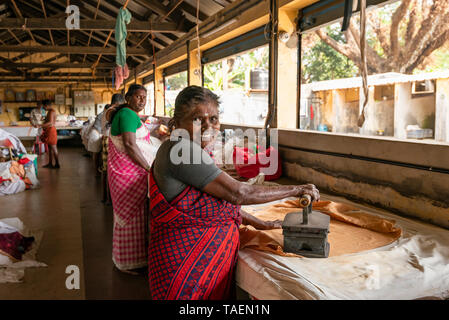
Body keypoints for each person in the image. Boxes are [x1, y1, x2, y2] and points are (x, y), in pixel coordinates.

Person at [148, 86, 320, 300]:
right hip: (186, 266)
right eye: (197, 119)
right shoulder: (181, 149)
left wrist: (260, 223)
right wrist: (297, 189)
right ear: (177, 123)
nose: (207, 127)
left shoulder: (188, 149)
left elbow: (219, 203)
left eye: (213, 119)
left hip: (196, 266)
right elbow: (238, 193)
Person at [107, 85, 159, 273]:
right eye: (138, 96)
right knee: (130, 218)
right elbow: (130, 144)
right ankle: (130, 263)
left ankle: (129, 260)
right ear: (128, 98)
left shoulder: (128, 114)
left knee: (131, 218)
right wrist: (148, 168)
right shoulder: (128, 114)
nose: (142, 100)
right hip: (128, 173)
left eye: (145, 97)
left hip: (124, 171)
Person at [101, 94, 125, 204]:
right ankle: (108, 198)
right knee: (108, 171)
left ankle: (105, 196)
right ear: (119, 102)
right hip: (108, 141)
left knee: (106, 170)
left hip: (105, 139)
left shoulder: (107, 110)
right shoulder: (112, 111)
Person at [39, 100, 60, 169]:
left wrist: (40, 125)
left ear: (47, 105)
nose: (43, 108)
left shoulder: (51, 111)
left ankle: (57, 164)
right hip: (49, 130)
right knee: (50, 148)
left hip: (51, 130)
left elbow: (50, 123)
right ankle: (50, 163)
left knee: (54, 148)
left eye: (44, 106)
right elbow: (48, 121)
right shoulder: (50, 112)